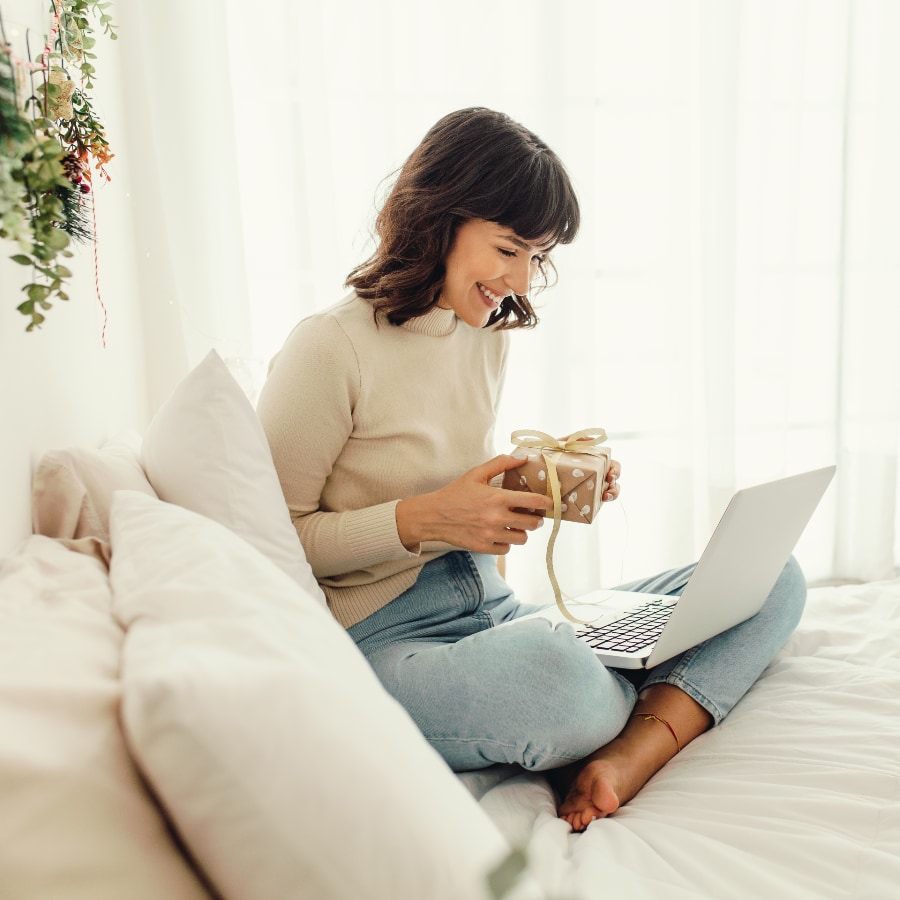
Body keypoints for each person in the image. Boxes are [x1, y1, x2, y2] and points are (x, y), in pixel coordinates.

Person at [256, 107, 807, 832]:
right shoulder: (329, 347)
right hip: (386, 640)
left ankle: (634, 746)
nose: (521, 281)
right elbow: (270, 541)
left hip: (494, 613)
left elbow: (457, 492)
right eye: (509, 249)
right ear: (438, 218)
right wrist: (424, 520)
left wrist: (545, 489)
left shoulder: (482, 335)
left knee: (772, 576)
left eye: (537, 257)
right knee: (564, 687)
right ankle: (639, 701)